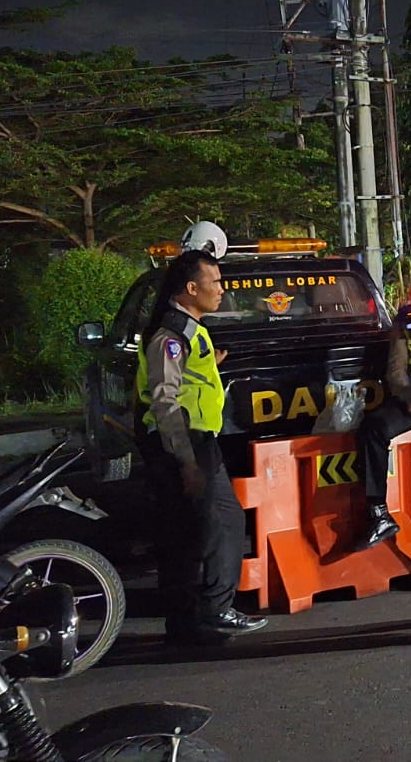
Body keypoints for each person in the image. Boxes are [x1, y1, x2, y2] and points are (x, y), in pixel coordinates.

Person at [135, 249, 267, 644]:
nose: (222, 291)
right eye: (216, 283)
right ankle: (214, 609)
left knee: (193, 532)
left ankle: (189, 623)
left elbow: (189, 378)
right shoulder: (171, 336)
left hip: (195, 441)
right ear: (191, 288)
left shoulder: (190, 330)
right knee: (217, 525)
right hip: (183, 442)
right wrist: (186, 460)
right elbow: (165, 400)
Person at [353, 253, 411, 550]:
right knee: (373, 427)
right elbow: (396, 369)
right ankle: (379, 512)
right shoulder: (408, 318)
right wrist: (410, 400)